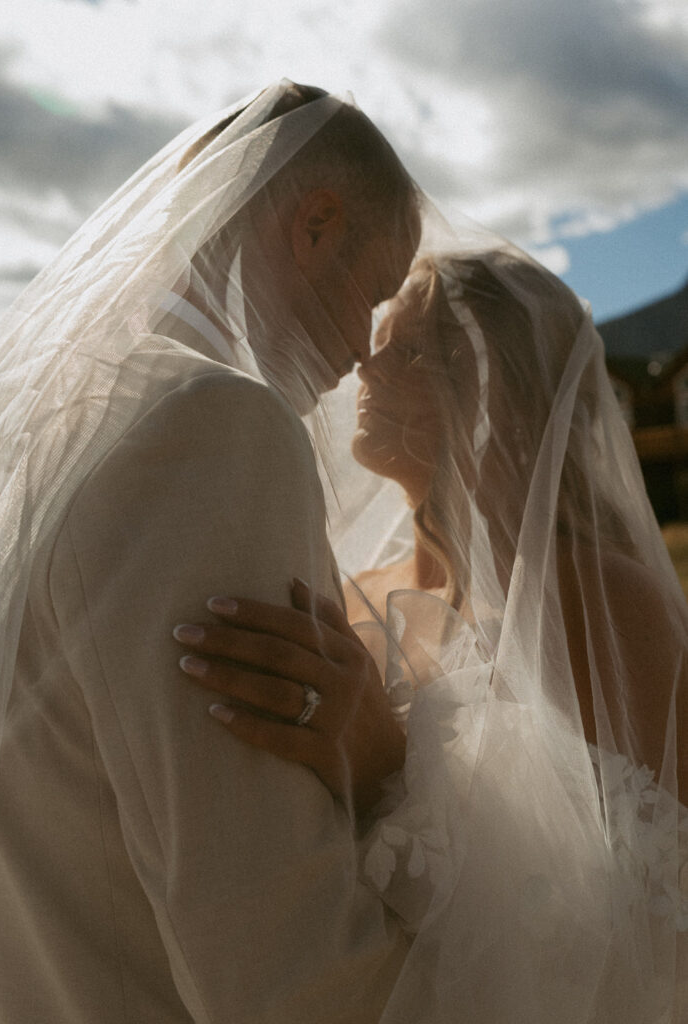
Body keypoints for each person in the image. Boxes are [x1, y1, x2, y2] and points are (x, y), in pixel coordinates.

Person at [0, 81, 421, 1023]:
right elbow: (276, 952)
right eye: (373, 295)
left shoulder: (39, 426)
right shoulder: (212, 427)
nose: (364, 351)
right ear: (316, 223)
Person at [175, 242, 688, 1021]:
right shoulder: (350, 595)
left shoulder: (603, 603)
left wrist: (387, 764)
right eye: (376, 347)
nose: (363, 373)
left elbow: (656, 919)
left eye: (407, 351)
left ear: (501, 394)